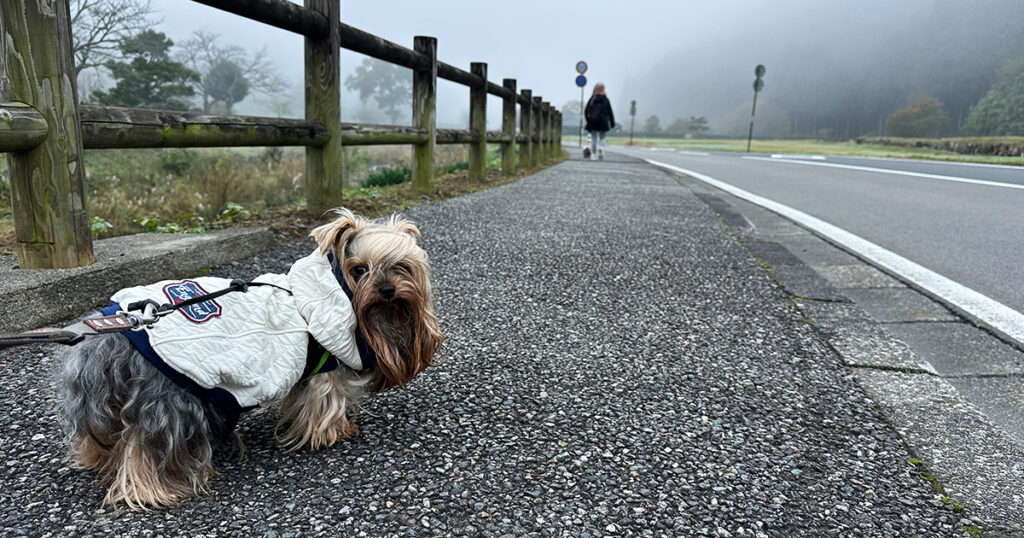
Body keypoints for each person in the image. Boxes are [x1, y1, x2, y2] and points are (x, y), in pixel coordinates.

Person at [584, 83, 615, 160]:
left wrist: (588, 120)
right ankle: (601, 147)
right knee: (602, 138)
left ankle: (593, 154)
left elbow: (586, 111)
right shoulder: (606, 100)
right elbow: (610, 112)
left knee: (594, 138)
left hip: (593, 122)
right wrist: (612, 123)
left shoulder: (592, 99)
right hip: (603, 122)